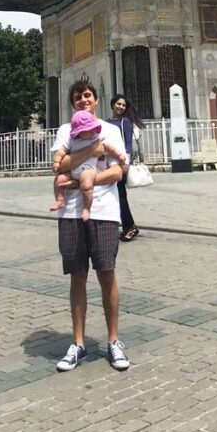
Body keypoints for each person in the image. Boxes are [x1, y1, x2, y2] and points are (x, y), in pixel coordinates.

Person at [51, 80, 130, 373]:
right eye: (78, 97)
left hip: (105, 211)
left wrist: (82, 180)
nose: (83, 100)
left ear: (96, 99)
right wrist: (92, 150)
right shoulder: (65, 130)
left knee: (106, 273)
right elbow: (58, 165)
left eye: (87, 95)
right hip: (71, 213)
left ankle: (113, 340)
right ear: (73, 103)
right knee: (77, 275)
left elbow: (118, 171)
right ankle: (78, 343)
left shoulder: (110, 130)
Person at [51, 110, 127, 222]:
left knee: (86, 185)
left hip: (88, 169)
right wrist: (57, 162)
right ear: (79, 132)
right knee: (59, 180)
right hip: (73, 170)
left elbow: (109, 147)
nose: (92, 132)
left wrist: (119, 155)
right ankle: (60, 200)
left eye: (93, 129)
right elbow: (61, 152)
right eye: (88, 130)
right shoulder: (72, 140)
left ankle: (86, 208)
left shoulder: (96, 138)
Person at [108, 96, 142, 242]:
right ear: (112, 105)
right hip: (108, 162)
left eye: (123, 105)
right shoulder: (107, 123)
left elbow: (128, 144)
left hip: (120, 162)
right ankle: (121, 225)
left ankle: (130, 226)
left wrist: (126, 163)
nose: (120, 107)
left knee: (120, 195)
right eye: (118, 104)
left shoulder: (125, 122)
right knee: (112, 195)